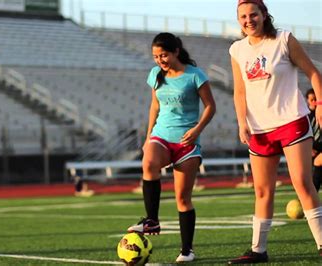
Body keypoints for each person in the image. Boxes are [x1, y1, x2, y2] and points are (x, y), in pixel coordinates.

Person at [228, 0, 322, 263]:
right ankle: (258, 250)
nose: (249, 20)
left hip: (291, 121)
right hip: (259, 130)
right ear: (239, 20)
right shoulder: (236, 49)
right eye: (243, 16)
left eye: (253, 14)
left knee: (303, 183)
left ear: (264, 15)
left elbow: (314, 74)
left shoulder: (284, 39)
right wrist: (241, 122)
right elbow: (239, 91)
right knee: (262, 190)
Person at [127, 32, 216, 263]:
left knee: (182, 199)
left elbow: (210, 107)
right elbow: (154, 107)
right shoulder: (155, 74)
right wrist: (148, 138)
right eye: (156, 56)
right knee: (148, 162)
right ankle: (152, 220)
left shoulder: (195, 75)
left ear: (176, 51)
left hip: (187, 143)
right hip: (161, 135)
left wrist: (196, 130)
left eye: (163, 55)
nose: (159, 60)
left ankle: (187, 250)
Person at [307, 88, 322, 192]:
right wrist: (309, 149)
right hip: (312, 151)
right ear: (307, 100)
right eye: (312, 100)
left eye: (316, 99)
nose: (314, 102)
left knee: (318, 163)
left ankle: (311, 201)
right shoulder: (305, 116)